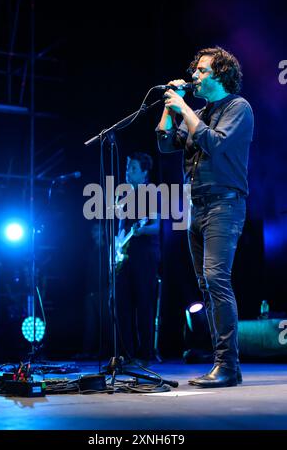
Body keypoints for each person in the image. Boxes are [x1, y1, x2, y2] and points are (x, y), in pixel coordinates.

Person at [156, 46, 254, 387]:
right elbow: (165, 143)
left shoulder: (238, 108)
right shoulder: (200, 111)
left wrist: (184, 108)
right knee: (206, 286)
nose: (194, 76)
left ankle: (228, 366)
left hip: (225, 205)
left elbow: (213, 142)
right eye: (195, 70)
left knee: (216, 281)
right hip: (196, 206)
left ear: (221, 74)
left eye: (202, 71)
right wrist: (171, 108)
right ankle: (221, 363)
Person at [115, 152, 160, 366]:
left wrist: (141, 231)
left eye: (133, 168)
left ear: (144, 173)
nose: (128, 171)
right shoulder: (123, 195)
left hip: (145, 256)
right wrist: (116, 248)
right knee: (123, 305)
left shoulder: (150, 194)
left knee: (144, 304)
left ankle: (146, 354)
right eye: (128, 167)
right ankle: (127, 353)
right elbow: (121, 226)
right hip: (125, 256)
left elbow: (156, 226)